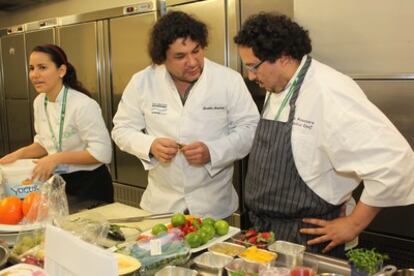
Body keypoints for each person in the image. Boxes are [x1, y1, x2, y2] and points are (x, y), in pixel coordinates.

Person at [234, 13, 414, 257]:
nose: (251, 76)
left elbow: (395, 162)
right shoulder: (279, 85)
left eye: (253, 66)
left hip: (308, 238)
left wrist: (353, 224)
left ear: (284, 58)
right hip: (265, 231)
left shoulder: (329, 92)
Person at [112, 11, 259, 219]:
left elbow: (251, 129)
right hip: (161, 206)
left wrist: (213, 151)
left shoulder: (228, 81)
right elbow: (121, 129)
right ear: (162, 58)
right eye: (180, 56)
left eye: (196, 51)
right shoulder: (142, 82)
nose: (192, 62)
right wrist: (150, 145)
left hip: (214, 206)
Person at [0, 44, 114, 211]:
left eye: (42, 67)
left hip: (89, 185)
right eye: (31, 68)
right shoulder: (39, 102)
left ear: (61, 71)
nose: (34, 75)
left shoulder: (83, 105)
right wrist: (19, 154)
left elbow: (102, 153)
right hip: (57, 182)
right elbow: (43, 143)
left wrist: (56, 158)